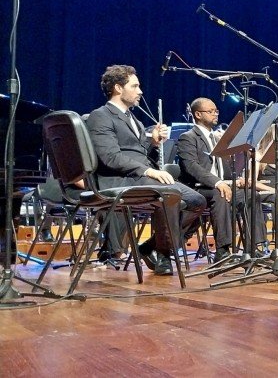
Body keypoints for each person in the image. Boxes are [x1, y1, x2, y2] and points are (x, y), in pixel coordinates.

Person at [86, 65, 206, 275]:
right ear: (118, 88)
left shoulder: (134, 120)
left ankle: (151, 247)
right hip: (118, 179)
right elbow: (110, 157)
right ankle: (164, 256)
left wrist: (154, 142)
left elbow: (139, 152)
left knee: (198, 201)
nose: (140, 91)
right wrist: (148, 171)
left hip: (137, 177)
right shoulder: (101, 116)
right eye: (135, 86)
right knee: (170, 194)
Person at [176, 97, 267, 262]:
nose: (215, 114)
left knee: (250, 194)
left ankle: (254, 247)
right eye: (210, 111)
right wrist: (218, 183)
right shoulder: (188, 137)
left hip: (219, 185)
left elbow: (223, 170)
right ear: (198, 114)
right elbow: (192, 167)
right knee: (220, 194)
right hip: (198, 188)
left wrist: (235, 179)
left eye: (216, 111)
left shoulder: (217, 139)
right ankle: (223, 250)